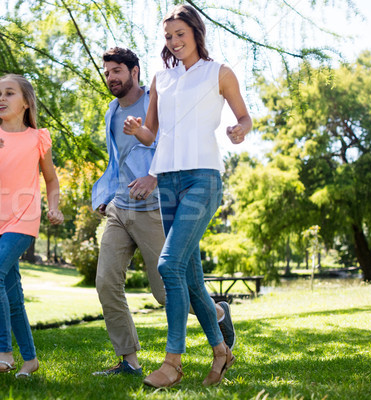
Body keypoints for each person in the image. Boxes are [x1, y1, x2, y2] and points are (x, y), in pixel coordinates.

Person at [124, 4, 251, 388]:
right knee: (191, 275)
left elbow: (244, 117)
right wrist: (136, 130)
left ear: (196, 32)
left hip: (203, 179)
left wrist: (239, 130)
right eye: (168, 37)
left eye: (180, 34)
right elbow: (153, 133)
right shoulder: (162, 79)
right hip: (168, 181)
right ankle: (220, 351)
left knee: (168, 266)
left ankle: (172, 362)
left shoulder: (220, 73)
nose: (174, 41)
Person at [92, 47, 236, 377]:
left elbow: (170, 147)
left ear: (135, 72)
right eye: (108, 72)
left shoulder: (159, 99)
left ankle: (216, 313)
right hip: (120, 208)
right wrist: (106, 194)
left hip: (155, 207)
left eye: (117, 71)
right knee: (106, 283)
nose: (112, 77)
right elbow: (117, 160)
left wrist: (153, 178)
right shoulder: (111, 111)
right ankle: (128, 361)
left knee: (165, 293)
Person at [0, 74, 63, 377]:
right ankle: (30, 359)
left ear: (26, 102)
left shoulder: (38, 138)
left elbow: (51, 179)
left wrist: (53, 207)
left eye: (9, 93)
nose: (0, 99)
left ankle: (4, 350)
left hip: (25, 219)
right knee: (13, 295)